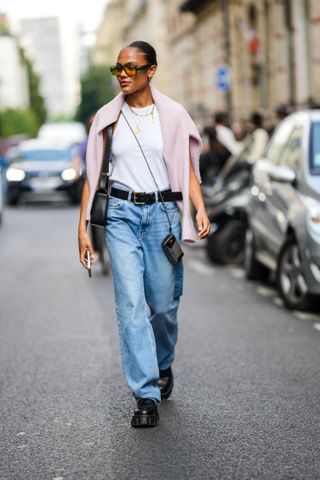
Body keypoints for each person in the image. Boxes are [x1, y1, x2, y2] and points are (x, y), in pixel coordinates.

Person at [77, 41, 210, 428]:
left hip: (163, 214)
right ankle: (146, 394)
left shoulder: (172, 115)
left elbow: (185, 168)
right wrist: (83, 227)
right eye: (117, 68)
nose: (123, 74)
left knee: (165, 307)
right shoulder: (107, 118)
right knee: (131, 305)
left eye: (131, 68)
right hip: (120, 215)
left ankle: (163, 363)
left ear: (151, 70)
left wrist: (199, 207)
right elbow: (93, 173)